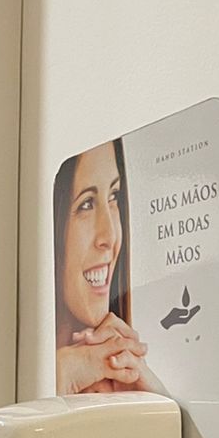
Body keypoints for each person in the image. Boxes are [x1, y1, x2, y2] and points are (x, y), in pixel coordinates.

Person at [53, 138, 158, 394]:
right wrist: (59, 376)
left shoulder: (122, 374)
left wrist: (154, 400)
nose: (109, 236)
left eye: (113, 197)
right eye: (86, 204)